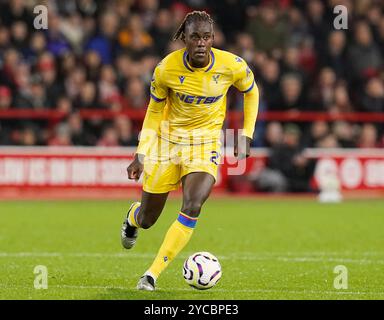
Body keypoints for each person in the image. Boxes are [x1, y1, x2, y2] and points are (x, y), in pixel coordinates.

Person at [120, 11, 259, 291]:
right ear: (184, 38)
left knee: (193, 204)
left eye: (206, 37)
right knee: (148, 219)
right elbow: (154, 110)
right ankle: (132, 218)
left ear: (213, 39)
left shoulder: (231, 65)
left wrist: (246, 134)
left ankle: (151, 275)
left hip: (205, 143)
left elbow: (251, 91)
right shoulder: (165, 69)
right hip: (167, 144)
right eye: (194, 36)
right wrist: (141, 152)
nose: (200, 43)